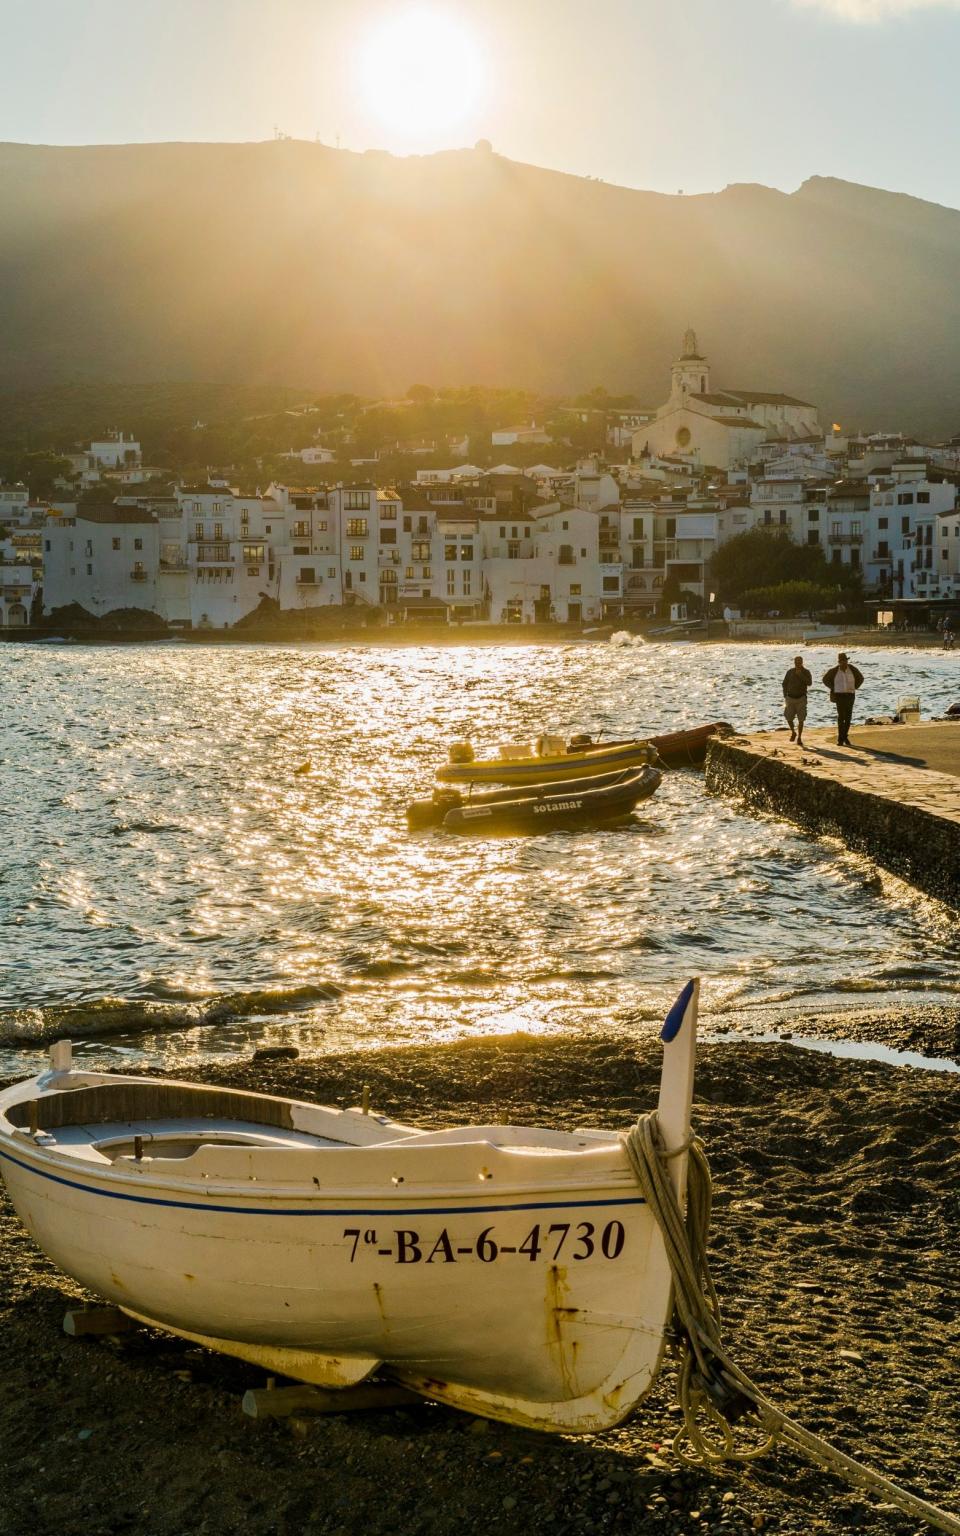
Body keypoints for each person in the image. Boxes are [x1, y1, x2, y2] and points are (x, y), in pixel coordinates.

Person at [823, 652, 863, 746]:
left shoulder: (852, 669)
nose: (844, 663)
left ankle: (844, 736)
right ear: (839, 662)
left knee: (848, 717)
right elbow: (825, 680)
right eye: (842, 661)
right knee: (841, 717)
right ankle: (841, 739)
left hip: (850, 695)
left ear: (847, 661)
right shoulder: (834, 671)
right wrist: (833, 688)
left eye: (845, 661)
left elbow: (861, 678)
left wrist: (855, 686)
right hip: (839, 695)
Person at [782, 655, 812, 746]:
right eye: (796, 662)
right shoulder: (790, 672)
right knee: (788, 717)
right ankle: (793, 732)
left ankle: (799, 737)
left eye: (799, 662)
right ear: (794, 662)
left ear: (802, 662)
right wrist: (785, 695)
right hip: (790, 698)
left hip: (801, 698)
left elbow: (809, 683)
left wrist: (801, 675)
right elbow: (784, 684)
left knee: (801, 719)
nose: (798, 664)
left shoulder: (806, 672)